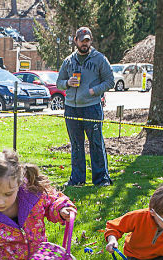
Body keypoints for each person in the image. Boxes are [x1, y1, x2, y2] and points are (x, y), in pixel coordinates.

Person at [55, 26, 114, 187]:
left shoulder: (99, 59)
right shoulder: (68, 61)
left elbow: (110, 81)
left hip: (92, 107)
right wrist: (67, 83)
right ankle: (77, 179)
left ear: (91, 41)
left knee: (96, 143)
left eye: (87, 41)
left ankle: (101, 179)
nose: (85, 44)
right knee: (76, 145)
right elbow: (58, 83)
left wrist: (95, 90)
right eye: (82, 41)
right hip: (71, 108)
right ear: (76, 41)